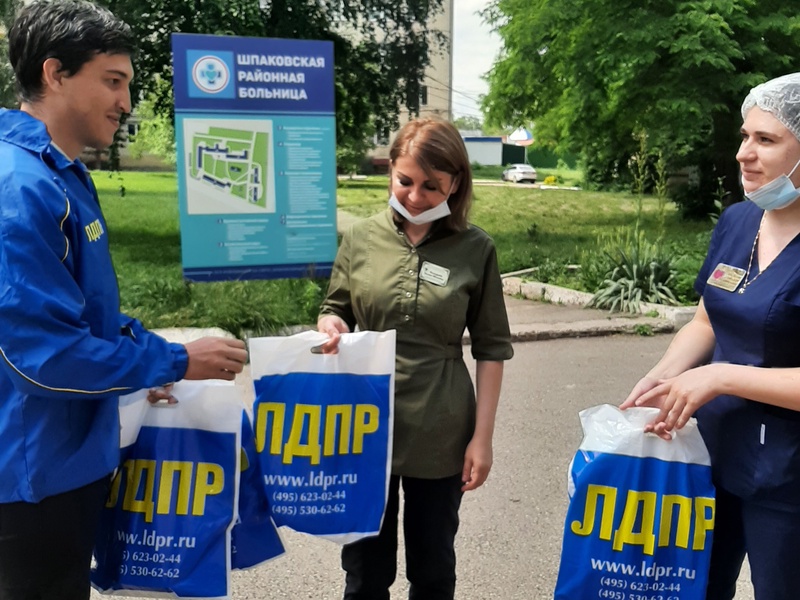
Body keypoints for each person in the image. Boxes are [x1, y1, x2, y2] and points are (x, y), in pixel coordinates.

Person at [0, 1, 249, 598]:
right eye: (113, 81)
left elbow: (88, 315)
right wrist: (175, 362)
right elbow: (47, 358)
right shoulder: (20, 187)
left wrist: (150, 362)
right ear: (55, 73)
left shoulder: (58, 174)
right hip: (31, 481)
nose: (127, 102)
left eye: (128, 83)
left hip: (63, 463)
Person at [317, 117, 514, 600]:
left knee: (431, 569)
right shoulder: (362, 239)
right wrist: (331, 325)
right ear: (391, 173)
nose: (415, 196)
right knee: (364, 572)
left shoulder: (475, 248)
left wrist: (481, 440)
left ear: (456, 184)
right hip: (364, 426)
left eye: (432, 186)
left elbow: (491, 349)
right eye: (405, 181)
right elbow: (334, 307)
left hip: (440, 427)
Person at [621, 72, 800, 600]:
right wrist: (659, 379)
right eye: (745, 136)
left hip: (787, 477)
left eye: (766, 140)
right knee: (694, 589)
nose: (744, 153)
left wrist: (720, 376)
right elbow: (706, 321)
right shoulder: (739, 221)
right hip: (709, 455)